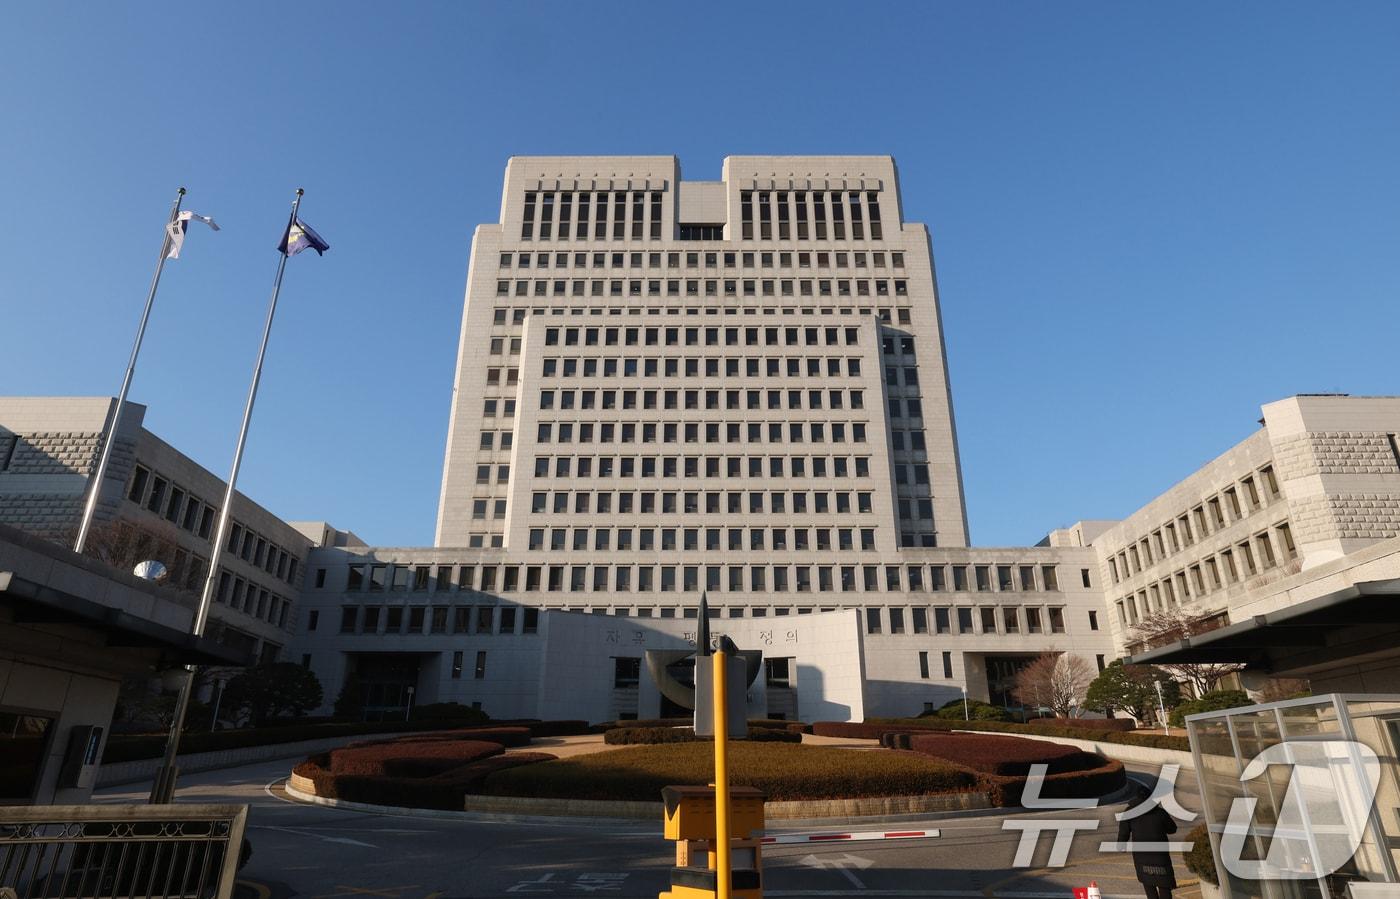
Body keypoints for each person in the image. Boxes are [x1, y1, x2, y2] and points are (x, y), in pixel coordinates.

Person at [1118, 781, 1178, 899]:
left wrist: (1121, 845)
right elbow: (1172, 829)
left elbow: (1123, 832)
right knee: (1164, 886)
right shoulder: (1159, 813)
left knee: (1149, 886)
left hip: (1142, 857)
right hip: (1160, 857)